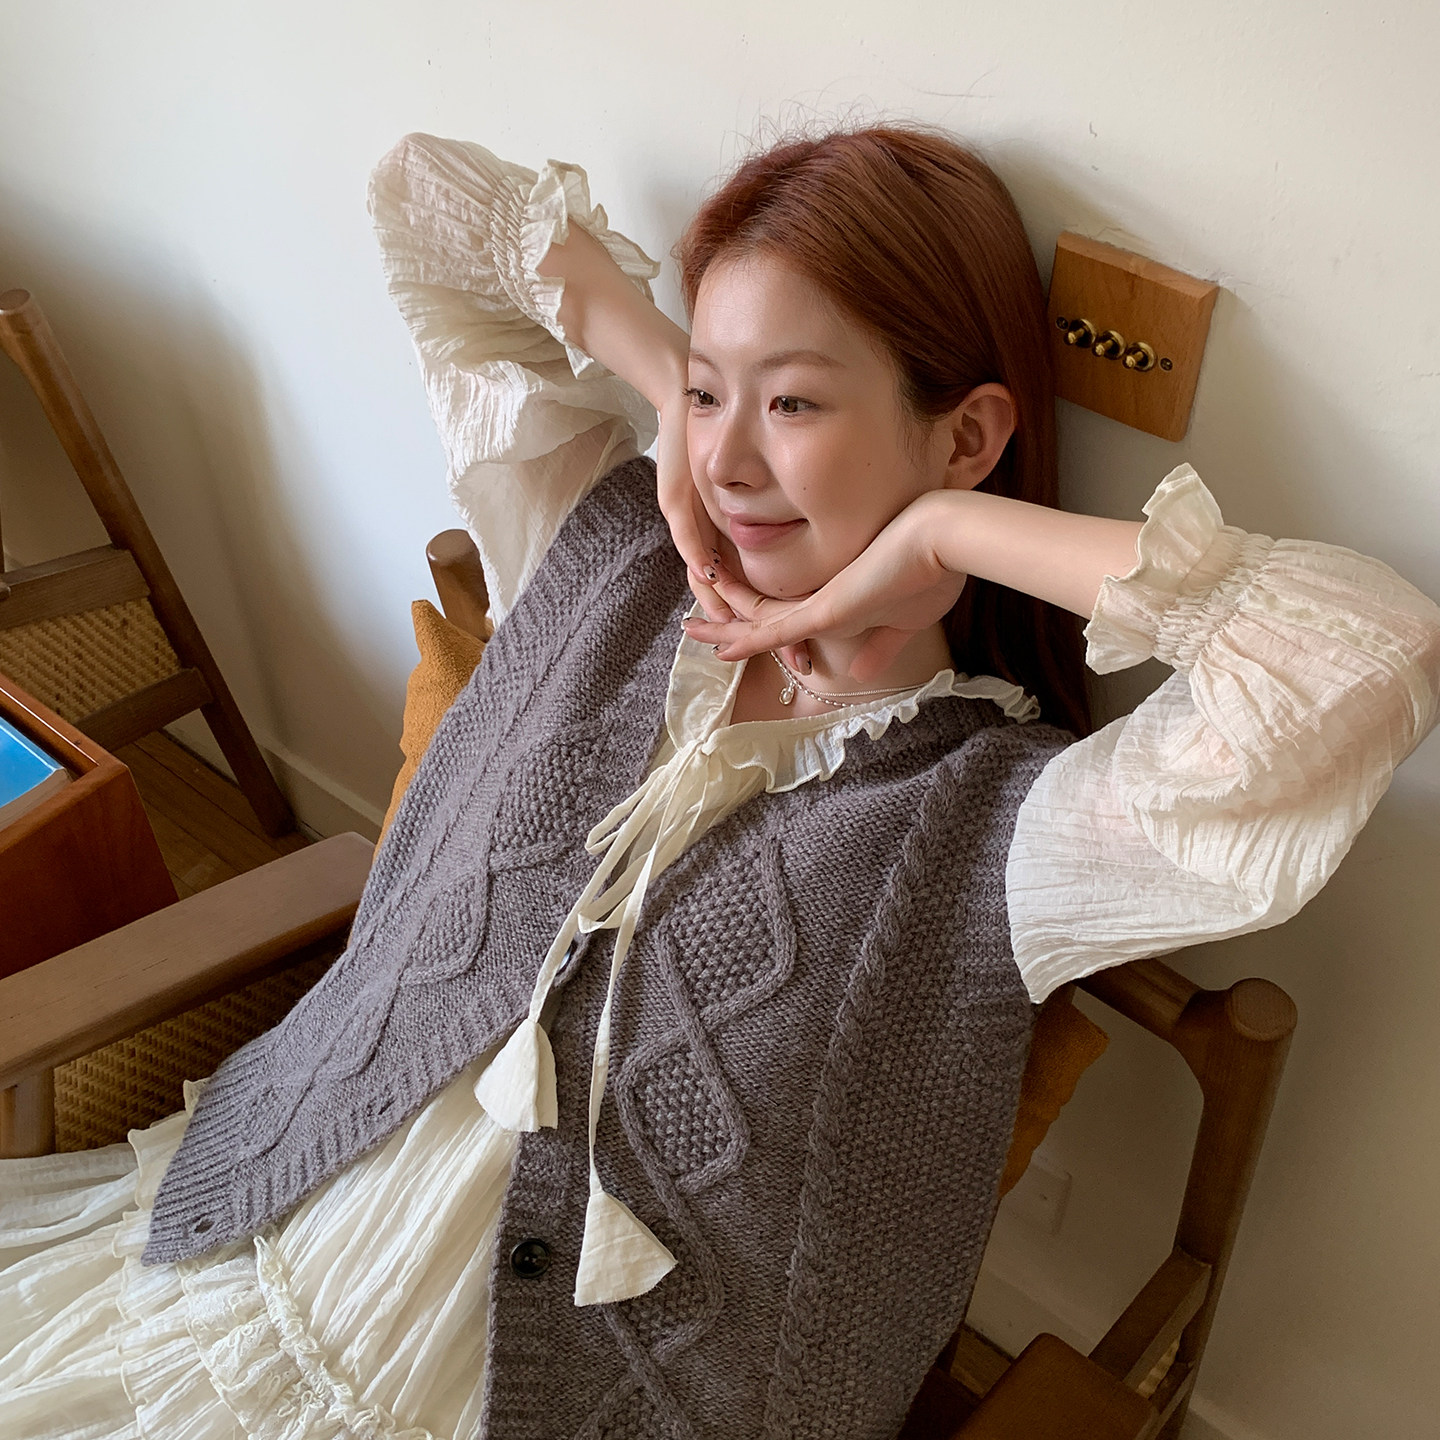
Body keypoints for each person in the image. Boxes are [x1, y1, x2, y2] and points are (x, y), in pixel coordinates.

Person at [1, 126, 1437, 1440]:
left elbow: (1370, 657)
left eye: (794, 402)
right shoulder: (603, 545)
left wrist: (946, 533)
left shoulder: (1006, 822)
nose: (730, 462)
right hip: (273, 1230)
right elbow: (423, 197)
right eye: (708, 393)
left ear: (968, 432)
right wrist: (668, 388)